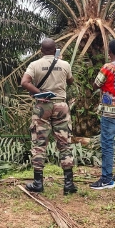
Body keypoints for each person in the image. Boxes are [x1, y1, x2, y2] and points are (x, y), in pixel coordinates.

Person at [20, 38, 77, 195]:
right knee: (64, 143)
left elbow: (24, 82)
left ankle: (38, 183)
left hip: (42, 106)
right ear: (55, 50)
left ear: (41, 50)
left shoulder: (34, 65)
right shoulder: (64, 64)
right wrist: (61, 65)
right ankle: (68, 184)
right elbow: (71, 81)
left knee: (39, 143)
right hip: (61, 105)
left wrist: (39, 93)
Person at [89, 39, 115, 189]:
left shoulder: (108, 67)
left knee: (107, 144)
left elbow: (96, 84)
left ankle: (106, 179)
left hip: (110, 111)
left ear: (110, 52)